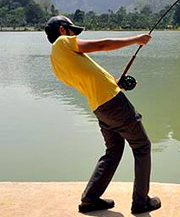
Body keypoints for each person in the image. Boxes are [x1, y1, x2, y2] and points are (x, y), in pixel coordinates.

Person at [44, 15, 161, 214]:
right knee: (142, 146)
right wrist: (136, 40)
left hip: (100, 107)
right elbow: (103, 45)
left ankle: (90, 199)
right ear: (63, 31)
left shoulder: (56, 62)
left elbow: (89, 80)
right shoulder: (63, 42)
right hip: (113, 104)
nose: (75, 36)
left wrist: (116, 83)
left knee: (114, 150)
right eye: (72, 31)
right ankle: (141, 202)